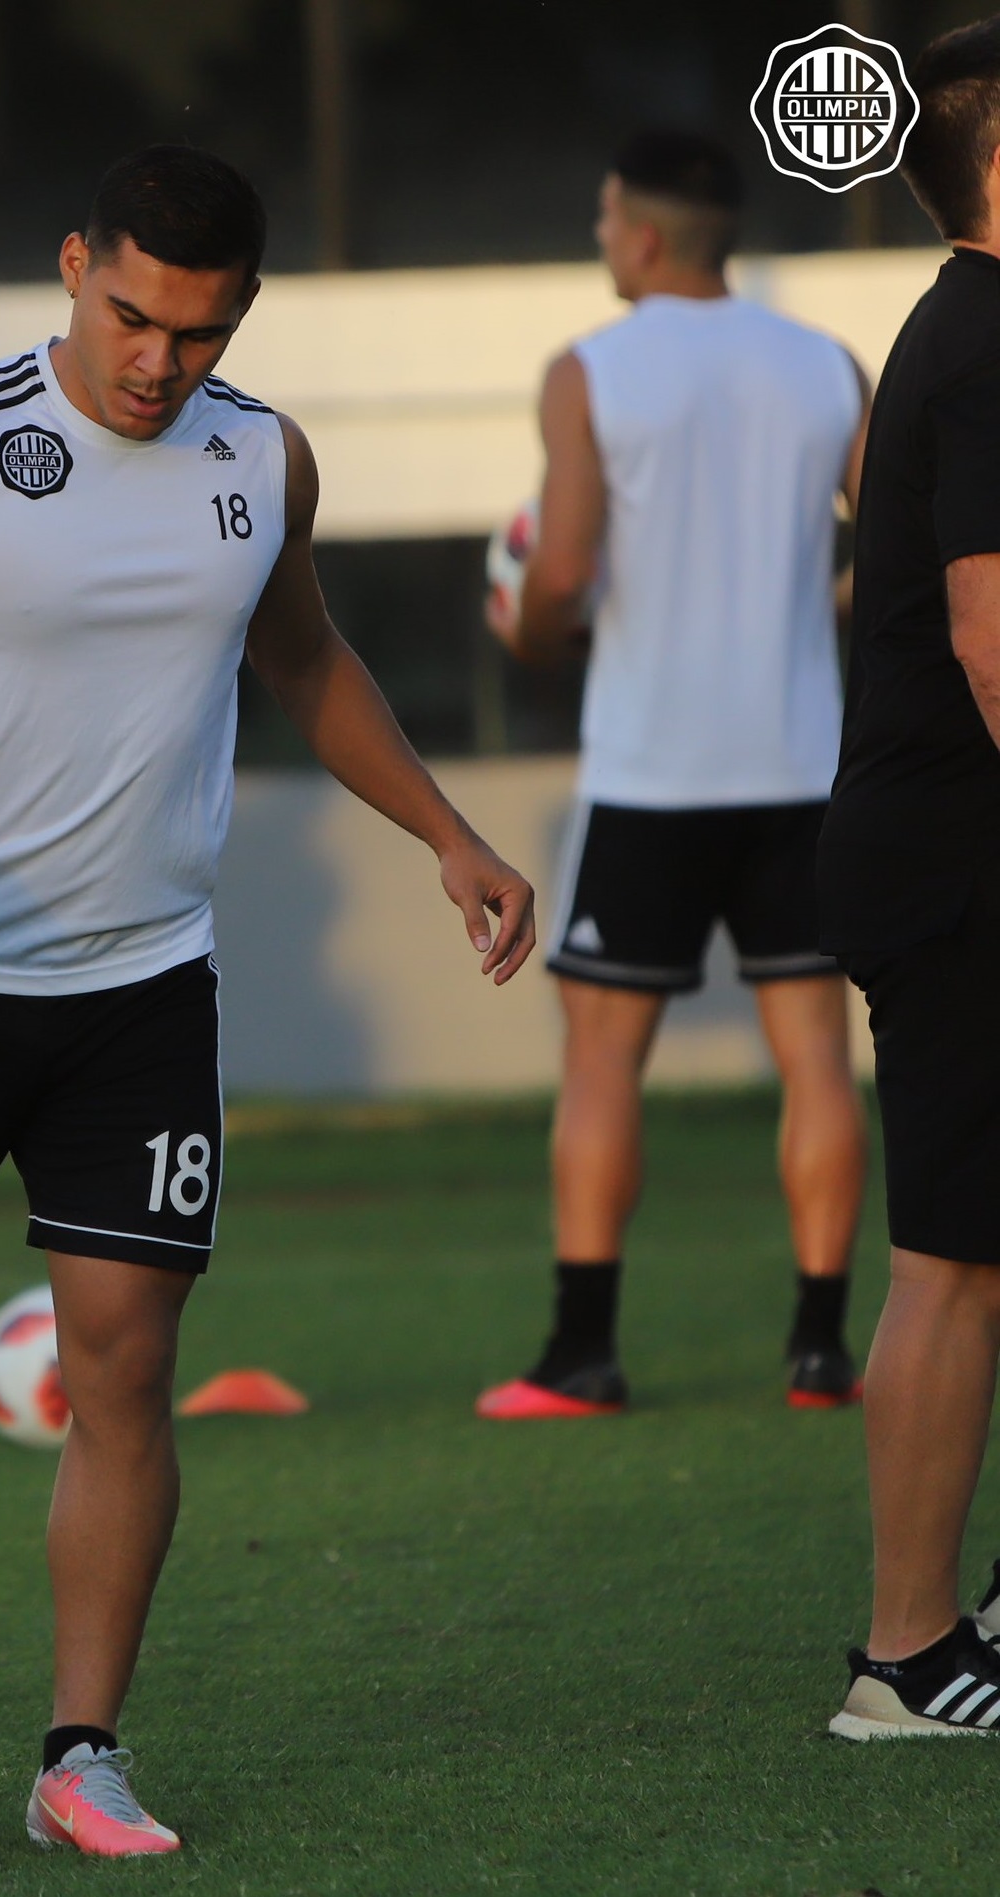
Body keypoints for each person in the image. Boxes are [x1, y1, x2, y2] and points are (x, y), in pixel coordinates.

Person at [0, 146, 537, 1852]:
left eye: (200, 334)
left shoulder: (260, 459)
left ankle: (81, 1754)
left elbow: (304, 659)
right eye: (131, 314)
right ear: (76, 266)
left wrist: (450, 833)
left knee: (126, 1368)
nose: (159, 362)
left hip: (143, 993)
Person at [477, 129, 872, 1421]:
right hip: (802, 767)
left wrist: (527, 626)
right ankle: (820, 1348)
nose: (601, 241)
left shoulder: (591, 370)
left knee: (600, 1062)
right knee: (818, 1056)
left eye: (602, 221)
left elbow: (565, 569)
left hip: (655, 774)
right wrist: (821, 603)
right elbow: (907, 542)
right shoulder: (825, 368)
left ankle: (581, 1352)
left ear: (641, 235)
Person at [815, 18, 1000, 1739]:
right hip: (959, 865)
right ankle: (905, 1657)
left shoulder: (960, 328)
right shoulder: (986, 338)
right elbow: (993, 642)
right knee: (952, 1253)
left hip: (937, 840)